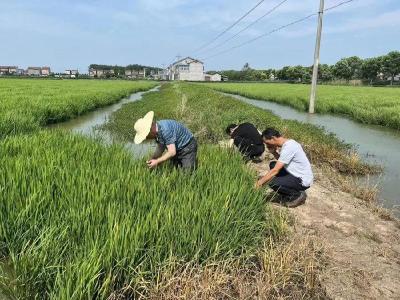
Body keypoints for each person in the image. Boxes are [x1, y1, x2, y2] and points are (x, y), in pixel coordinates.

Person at [255, 127, 313, 207]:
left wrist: (259, 184)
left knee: (272, 183)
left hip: (302, 180)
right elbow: (283, 161)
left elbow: (275, 171)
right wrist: (274, 152)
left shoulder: (289, 147)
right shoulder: (288, 143)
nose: (266, 145)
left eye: (267, 142)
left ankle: (296, 195)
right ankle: (286, 189)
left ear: (273, 138)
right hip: (295, 173)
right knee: (273, 164)